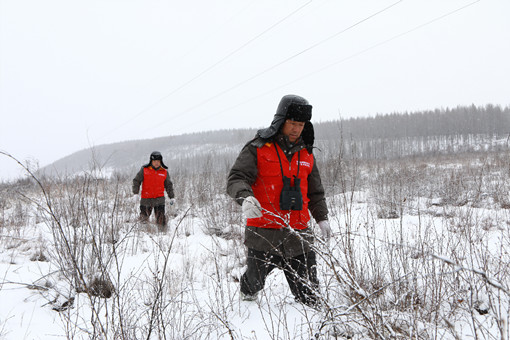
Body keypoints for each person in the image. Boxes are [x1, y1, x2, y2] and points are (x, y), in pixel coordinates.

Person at [227, 94, 331, 307]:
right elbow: (236, 178)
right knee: (254, 282)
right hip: (264, 233)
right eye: (292, 123)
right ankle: (246, 302)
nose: (296, 129)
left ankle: (314, 320)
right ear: (281, 120)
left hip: (299, 233)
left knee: (309, 292)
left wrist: (322, 218)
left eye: (301, 124)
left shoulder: (307, 153)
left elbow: (315, 192)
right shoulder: (257, 147)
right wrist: (245, 198)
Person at [132, 151, 175, 229]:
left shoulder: (164, 172)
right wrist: (135, 193)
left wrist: (171, 197)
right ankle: (143, 236)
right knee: (143, 220)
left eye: (158, 161)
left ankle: (162, 235)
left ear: (161, 161)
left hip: (159, 199)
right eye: (154, 161)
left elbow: (168, 185)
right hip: (146, 199)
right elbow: (136, 180)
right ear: (151, 161)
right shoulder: (144, 170)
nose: (156, 163)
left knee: (161, 221)